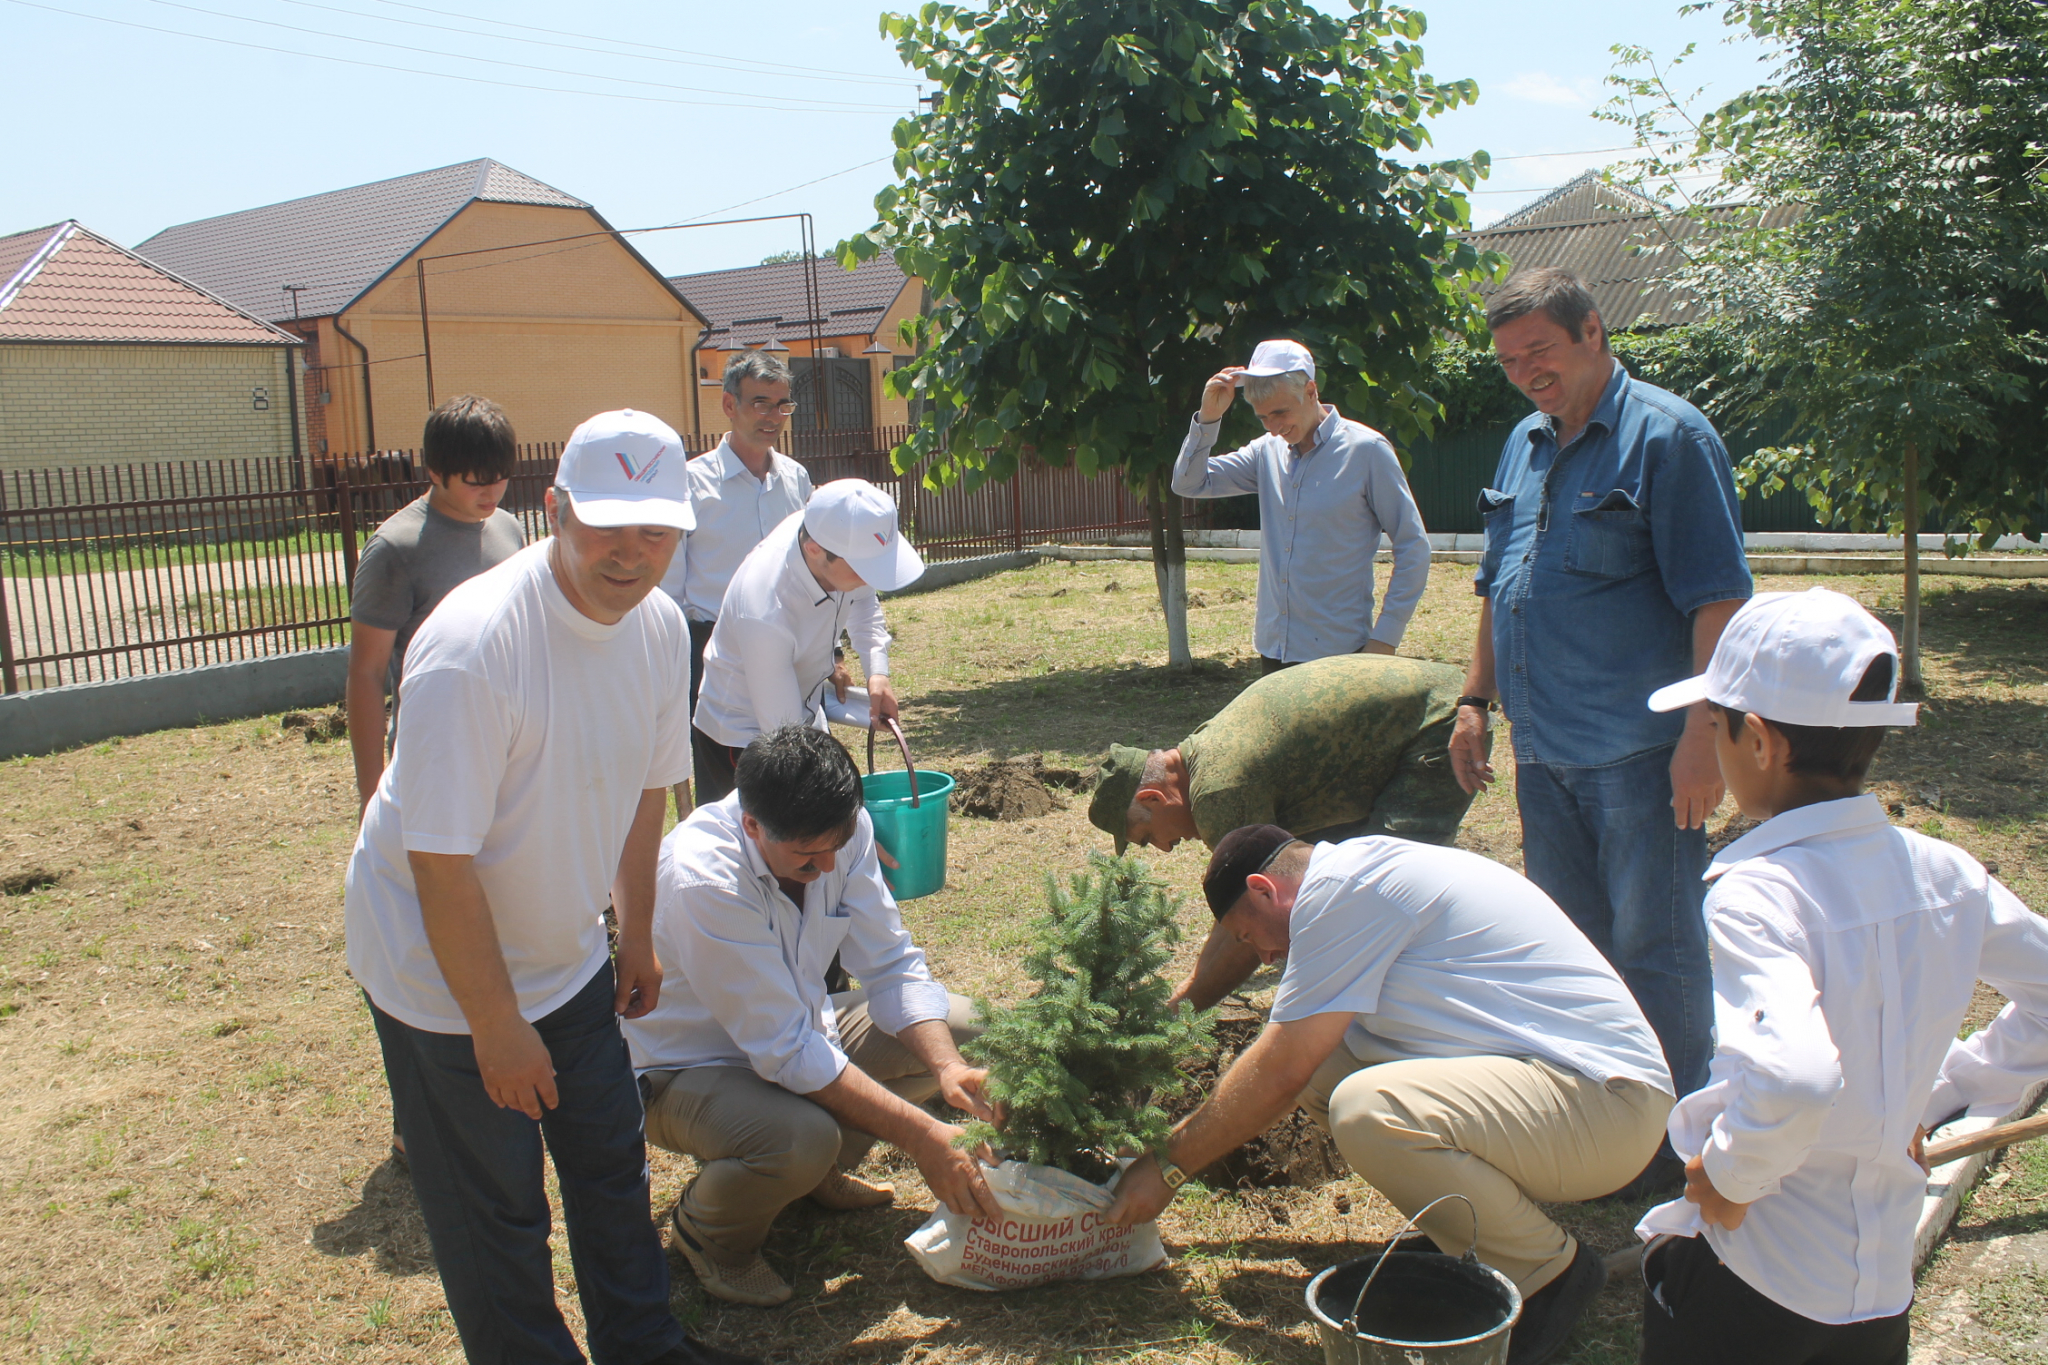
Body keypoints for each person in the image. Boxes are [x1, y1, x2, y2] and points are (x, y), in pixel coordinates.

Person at [344, 409, 753, 1365]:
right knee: (498, 1211)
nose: (631, 551)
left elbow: (651, 790)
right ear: (555, 510)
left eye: (654, 528)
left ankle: (643, 1346)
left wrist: (638, 936)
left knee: (609, 1162)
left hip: (565, 951)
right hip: (439, 981)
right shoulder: (475, 647)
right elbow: (439, 864)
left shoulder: (656, 629)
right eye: (605, 523)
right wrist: (495, 1025)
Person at [1632, 588, 2048, 1365]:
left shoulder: (1760, 893)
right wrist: (1933, 1094)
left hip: (1762, 1274)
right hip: (1879, 1291)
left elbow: (1794, 1077)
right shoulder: (1945, 872)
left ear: (1757, 740)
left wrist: (1731, 1174)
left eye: (1714, 727)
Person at [1107, 825, 1674, 1365]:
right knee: (1327, 1065)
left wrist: (1167, 1167)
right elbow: (1294, 1063)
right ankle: (1474, 1235)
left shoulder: (1341, 894)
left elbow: (1279, 1070)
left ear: (1264, 889)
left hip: (1611, 1106)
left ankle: (1546, 1273)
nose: (1262, 957)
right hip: (1565, 1088)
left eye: (1247, 934)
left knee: (1367, 1110)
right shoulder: (1353, 878)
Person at [1448, 267, 1753, 1196]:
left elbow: (1720, 600)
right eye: (1508, 361)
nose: (1525, 373)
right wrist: (1473, 699)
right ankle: (1593, 1133)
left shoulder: (1670, 437)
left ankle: (1671, 1151)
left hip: (1641, 755)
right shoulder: (1522, 445)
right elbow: (1498, 586)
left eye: (1539, 350)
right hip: (1544, 754)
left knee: (1656, 948)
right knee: (1575, 949)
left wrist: (1702, 738)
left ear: (1591, 331)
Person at [621, 725, 1003, 1307]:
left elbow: (892, 965)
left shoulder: (839, 830)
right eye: (807, 857)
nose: (828, 866)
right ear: (752, 825)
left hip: (798, 1031)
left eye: (838, 844)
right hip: (685, 1070)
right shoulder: (704, 878)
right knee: (800, 1138)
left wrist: (948, 1069)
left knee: (961, 1027)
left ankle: (813, 1176)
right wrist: (925, 1136)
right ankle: (710, 1233)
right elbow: (786, 1050)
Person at [1085, 653, 1481, 1010]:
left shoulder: (1219, 793)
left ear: (1154, 798)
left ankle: (1436, 1001)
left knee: (1383, 893)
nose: (1164, 849)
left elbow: (1259, 920)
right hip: (1422, 706)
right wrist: (1192, 984)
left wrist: (1184, 1009)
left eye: (1146, 837)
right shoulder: (1203, 753)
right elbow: (1237, 913)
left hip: (1435, 724)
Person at [1170, 338, 1430, 672]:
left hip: (1342, 655)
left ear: (1311, 391)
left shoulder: (1366, 452)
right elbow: (1188, 482)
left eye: (1280, 412)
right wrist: (1208, 419)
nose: (1274, 428)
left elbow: (1414, 547)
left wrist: (1386, 638)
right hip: (1273, 653)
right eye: (1263, 417)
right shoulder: (1266, 452)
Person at [690, 479, 923, 806]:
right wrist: (850, 825)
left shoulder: (834, 538)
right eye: (863, 569)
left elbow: (864, 601)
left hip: (796, 706)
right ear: (815, 551)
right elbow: (786, 740)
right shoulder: (764, 607)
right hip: (742, 735)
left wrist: (878, 674)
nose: (870, 579)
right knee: (763, 839)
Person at [345, 394, 525, 815]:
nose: (491, 492)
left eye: (500, 478)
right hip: (433, 754)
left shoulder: (508, 529)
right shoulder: (396, 548)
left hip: (510, 750)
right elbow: (366, 673)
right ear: (435, 472)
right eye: (475, 481)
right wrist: (370, 795)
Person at [658, 351, 815, 816]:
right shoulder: (690, 483)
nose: (773, 416)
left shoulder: (796, 480)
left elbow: (811, 568)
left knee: (793, 772)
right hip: (713, 650)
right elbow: (669, 590)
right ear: (729, 405)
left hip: (791, 645)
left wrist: (836, 652)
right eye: (760, 403)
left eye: (783, 404)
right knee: (728, 792)